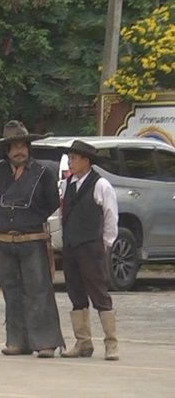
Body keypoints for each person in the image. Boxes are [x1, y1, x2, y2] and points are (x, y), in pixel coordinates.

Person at [0, 121, 64, 358]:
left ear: (28, 148)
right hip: (4, 241)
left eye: (22, 146)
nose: (19, 151)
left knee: (38, 291)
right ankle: (17, 341)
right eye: (14, 147)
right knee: (11, 292)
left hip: (32, 239)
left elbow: (52, 202)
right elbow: (3, 197)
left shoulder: (43, 173)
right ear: (7, 151)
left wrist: (31, 218)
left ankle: (46, 343)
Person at [59, 140, 119, 360]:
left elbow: (110, 215)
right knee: (75, 292)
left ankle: (111, 343)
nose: (70, 162)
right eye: (69, 158)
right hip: (71, 245)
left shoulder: (101, 185)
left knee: (98, 292)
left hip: (91, 245)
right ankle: (83, 342)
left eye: (74, 158)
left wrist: (107, 242)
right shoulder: (66, 184)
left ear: (86, 161)